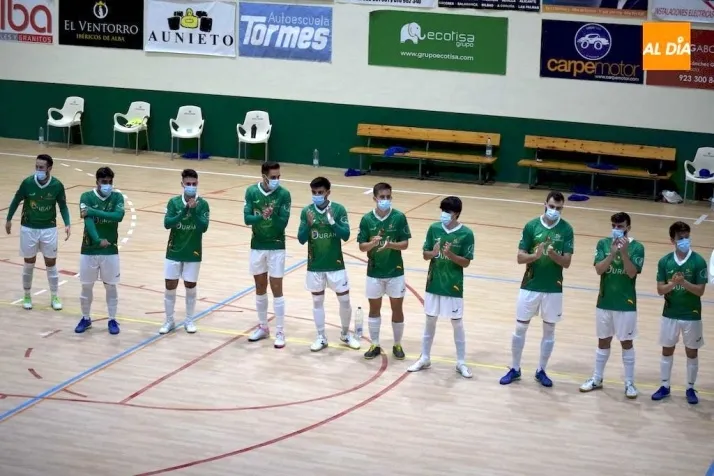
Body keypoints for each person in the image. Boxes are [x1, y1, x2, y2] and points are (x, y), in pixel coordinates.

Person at [500, 191, 574, 387]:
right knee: (520, 328)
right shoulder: (531, 226)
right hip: (530, 285)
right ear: (545, 204)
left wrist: (553, 255)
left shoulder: (566, 229)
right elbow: (519, 258)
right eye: (552, 206)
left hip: (553, 288)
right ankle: (515, 368)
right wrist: (536, 255)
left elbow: (567, 263)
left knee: (549, 331)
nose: (554, 211)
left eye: (558, 208)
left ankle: (541, 370)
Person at [407, 196, 475, 378]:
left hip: (453, 285)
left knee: (457, 323)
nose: (444, 214)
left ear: (457, 214)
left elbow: (466, 262)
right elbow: (425, 255)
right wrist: (434, 253)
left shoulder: (466, 234)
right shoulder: (434, 228)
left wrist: (450, 255)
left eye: (448, 211)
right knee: (430, 320)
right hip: (433, 283)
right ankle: (425, 358)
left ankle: (461, 362)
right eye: (443, 210)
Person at [580, 212, 644, 398]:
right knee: (603, 341)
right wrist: (612, 253)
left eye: (620, 226)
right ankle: (597, 378)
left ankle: (629, 383)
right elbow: (599, 269)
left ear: (628, 228)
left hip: (626, 304)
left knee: (626, 343)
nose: (616, 229)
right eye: (614, 226)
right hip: (604, 301)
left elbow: (631, 273)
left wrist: (623, 253)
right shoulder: (602, 244)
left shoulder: (637, 247)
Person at [297, 176, 360, 352]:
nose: (317, 195)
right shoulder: (307, 212)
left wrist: (332, 222)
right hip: (315, 265)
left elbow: (346, 235)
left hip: (336, 264)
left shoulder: (338, 209)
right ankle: (321, 337)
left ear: (328, 192)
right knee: (317, 301)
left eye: (320, 192)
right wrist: (308, 225)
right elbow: (301, 239)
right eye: (314, 192)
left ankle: (345, 334)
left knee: (345, 300)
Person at [5, 154, 71, 310]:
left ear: (49, 168)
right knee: (29, 263)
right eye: (36, 166)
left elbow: (63, 206)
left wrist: (67, 223)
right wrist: (8, 219)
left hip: (49, 229)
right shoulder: (27, 183)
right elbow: (16, 200)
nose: (38, 170)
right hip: (29, 228)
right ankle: (27, 295)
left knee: (51, 263)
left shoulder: (57, 185)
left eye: (41, 167)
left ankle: (54, 296)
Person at [652, 221, 708, 405]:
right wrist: (674, 283)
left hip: (692, 315)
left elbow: (700, 291)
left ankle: (690, 388)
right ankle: (664, 386)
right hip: (669, 314)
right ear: (672, 240)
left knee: (691, 351)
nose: (684, 240)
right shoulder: (664, 261)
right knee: (667, 350)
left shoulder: (698, 261)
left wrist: (683, 283)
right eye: (680, 238)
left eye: (687, 237)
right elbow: (660, 290)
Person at [357, 182, 411, 360]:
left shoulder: (399, 217)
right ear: (375, 198)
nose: (385, 200)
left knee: (397, 309)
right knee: (374, 309)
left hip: (395, 272)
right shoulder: (366, 219)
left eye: (388, 197)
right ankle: (375, 344)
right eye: (382, 197)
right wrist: (372, 243)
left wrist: (390, 245)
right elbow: (362, 247)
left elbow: (405, 244)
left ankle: (397, 344)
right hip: (374, 272)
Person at [243, 161, 291, 348]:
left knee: (277, 287)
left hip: (277, 246)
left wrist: (273, 215)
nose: (276, 180)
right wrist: (261, 216)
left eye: (278, 176)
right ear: (264, 176)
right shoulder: (251, 192)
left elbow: (283, 224)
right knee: (260, 286)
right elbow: (247, 219)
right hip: (257, 245)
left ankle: (280, 331)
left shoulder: (284, 194)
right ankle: (263, 327)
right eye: (273, 177)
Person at [74, 167, 125, 335]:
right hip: (89, 249)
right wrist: (97, 240)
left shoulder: (117, 197)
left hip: (110, 250)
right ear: (97, 181)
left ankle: (112, 319)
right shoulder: (86, 197)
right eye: (104, 182)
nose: (107, 185)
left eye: (110, 182)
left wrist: (93, 211)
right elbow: (88, 222)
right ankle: (85, 318)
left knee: (111, 286)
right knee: (86, 286)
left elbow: (118, 216)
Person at [160, 169, 210, 335]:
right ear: (182, 184)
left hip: (193, 252)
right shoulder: (174, 203)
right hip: (174, 251)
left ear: (197, 184)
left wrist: (193, 211)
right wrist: (184, 211)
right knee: (170, 286)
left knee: (190, 286)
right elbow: (167, 224)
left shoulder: (203, 204)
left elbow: (203, 227)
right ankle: (169, 321)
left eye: (194, 184)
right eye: (188, 184)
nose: (191, 186)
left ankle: (189, 320)